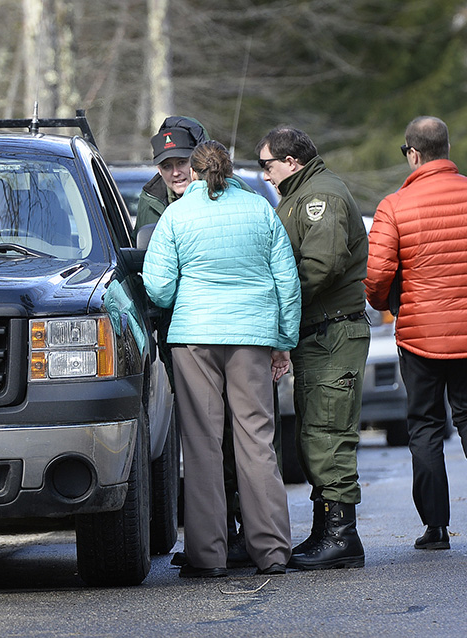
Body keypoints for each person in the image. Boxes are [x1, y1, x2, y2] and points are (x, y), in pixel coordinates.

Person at [143, 140, 301, 578]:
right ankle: (272, 552)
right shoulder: (259, 210)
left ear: (193, 173)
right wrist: (283, 340)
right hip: (251, 338)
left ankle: (208, 556)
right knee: (257, 442)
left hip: (195, 338)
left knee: (202, 446)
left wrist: (185, 295)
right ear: (230, 171)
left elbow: (158, 288)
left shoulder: (175, 216)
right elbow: (286, 280)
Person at [364, 116, 467, 549]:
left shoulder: (394, 206)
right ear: (446, 149)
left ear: (413, 154)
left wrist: (386, 305)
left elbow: (377, 275)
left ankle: (436, 528)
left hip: (421, 338)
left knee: (426, 425)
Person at [135, 116, 254, 568]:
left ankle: (245, 529)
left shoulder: (233, 193)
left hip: (234, 331)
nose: (176, 172)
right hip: (182, 337)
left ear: (200, 159)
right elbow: (149, 269)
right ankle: (216, 534)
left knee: (240, 435)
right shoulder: (151, 201)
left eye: (183, 162)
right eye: (166, 165)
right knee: (200, 437)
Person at [255, 126, 370, 570]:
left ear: (291, 162)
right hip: (318, 333)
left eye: (267, 165)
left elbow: (320, 265)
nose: (264, 174)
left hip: (331, 333)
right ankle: (326, 531)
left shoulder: (320, 197)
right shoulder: (301, 194)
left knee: (328, 434)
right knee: (314, 433)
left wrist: (276, 302)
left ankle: (342, 537)